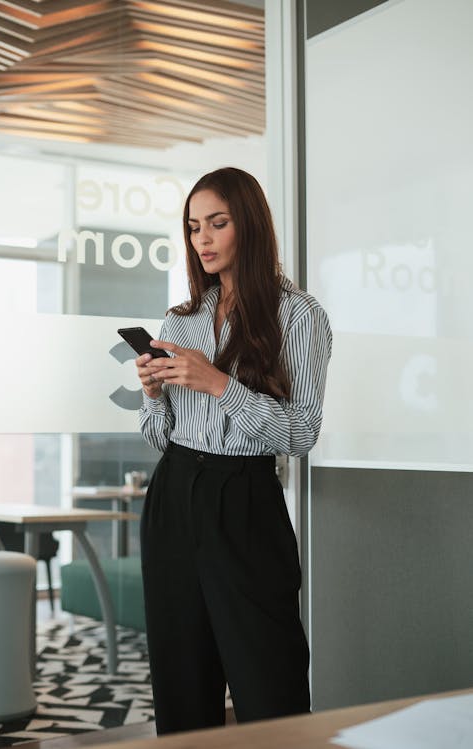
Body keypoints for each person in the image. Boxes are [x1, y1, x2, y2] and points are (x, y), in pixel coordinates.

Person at [136, 166, 331, 735]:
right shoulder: (182, 319)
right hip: (173, 497)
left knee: (271, 684)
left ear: (248, 225)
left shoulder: (300, 316)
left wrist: (219, 383)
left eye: (217, 223)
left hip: (245, 500)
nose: (203, 239)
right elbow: (158, 438)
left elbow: (300, 435)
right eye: (194, 227)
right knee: (181, 683)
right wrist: (154, 396)